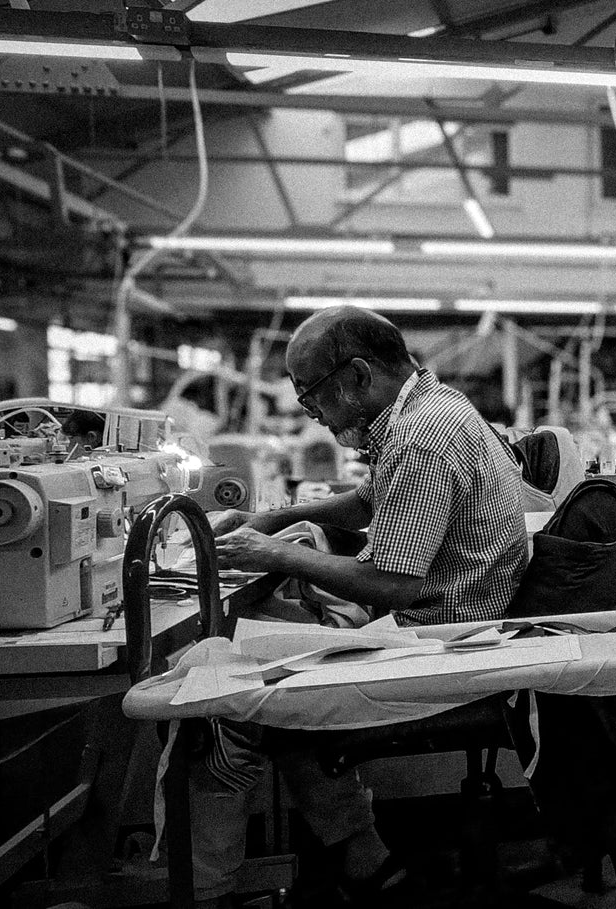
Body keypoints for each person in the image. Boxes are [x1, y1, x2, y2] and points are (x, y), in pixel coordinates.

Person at [196, 306, 529, 907]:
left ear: (354, 376)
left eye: (312, 398)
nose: (313, 415)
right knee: (267, 673)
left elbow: (392, 583)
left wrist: (276, 555)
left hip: (441, 640)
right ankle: (365, 859)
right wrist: (281, 517)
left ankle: (206, 891)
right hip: (442, 620)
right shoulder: (428, 410)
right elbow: (365, 505)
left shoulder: (422, 436)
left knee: (234, 703)